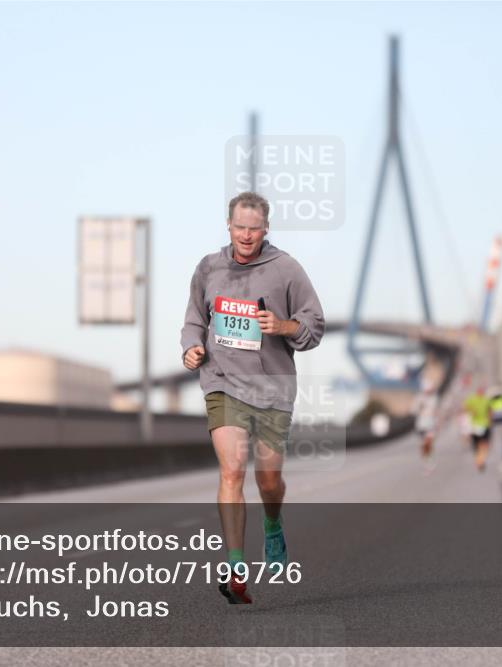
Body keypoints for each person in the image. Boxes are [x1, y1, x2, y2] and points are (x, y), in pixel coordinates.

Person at [180, 191, 325, 605]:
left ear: (266, 229)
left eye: (254, 228)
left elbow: (315, 325)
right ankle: (237, 564)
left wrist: (282, 326)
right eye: (239, 227)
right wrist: (192, 347)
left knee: (268, 480)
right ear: (229, 226)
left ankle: (273, 525)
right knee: (231, 471)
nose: (246, 235)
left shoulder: (286, 270)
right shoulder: (209, 267)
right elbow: (194, 320)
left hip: (272, 389)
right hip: (222, 382)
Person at [463, 385, 493, 472]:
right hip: (476, 425)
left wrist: (490, 420)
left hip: (483, 424)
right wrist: (472, 411)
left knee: (482, 445)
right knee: (479, 445)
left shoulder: (485, 400)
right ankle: (480, 461)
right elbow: (465, 408)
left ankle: (480, 461)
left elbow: (490, 411)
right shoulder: (473, 399)